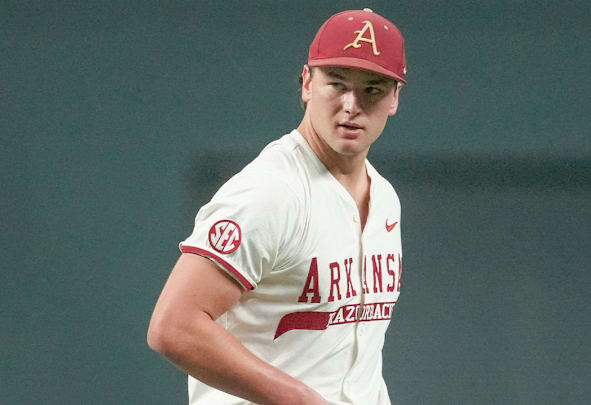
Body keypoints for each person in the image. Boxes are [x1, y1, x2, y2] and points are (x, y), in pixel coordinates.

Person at [148, 8, 406, 405]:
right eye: (336, 84)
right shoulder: (270, 192)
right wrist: (301, 399)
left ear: (394, 98)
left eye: (372, 89)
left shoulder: (384, 197)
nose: (352, 104)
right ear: (306, 83)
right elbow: (174, 326)